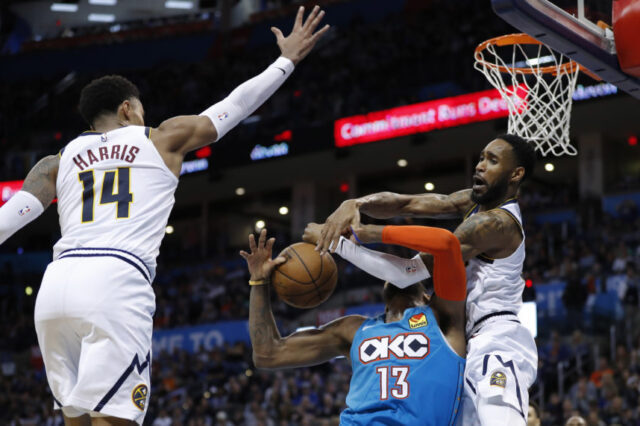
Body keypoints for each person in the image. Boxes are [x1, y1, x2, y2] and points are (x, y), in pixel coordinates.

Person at [0, 6, 329, 425]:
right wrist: (286, 61)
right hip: (114, 282)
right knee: (113, 419)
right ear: (125, 109)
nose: (144, 115)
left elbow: (7, 221)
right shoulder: (161, 138)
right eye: (140, 108)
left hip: (55, 289)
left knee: (76, 417)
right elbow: (232, 108)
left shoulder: (55, 162)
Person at [314, 134, 538, 425]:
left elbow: (408, 272)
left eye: (492, 161)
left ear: (516, 174)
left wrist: (347, 242)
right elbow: (406, 204)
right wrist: (356, 203)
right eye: (481, 157)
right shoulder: (472, 202)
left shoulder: (496, 224)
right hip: (463, 344)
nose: (480, 166)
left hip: (496, 340)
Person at [240, 227, 467, 425]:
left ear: (429, 296)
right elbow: (267, 354)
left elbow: (448, 245)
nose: (396, 275)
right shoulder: (353, 329)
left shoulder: (442, 316)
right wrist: (258, 282)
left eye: (406, 270)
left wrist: (357, 235)